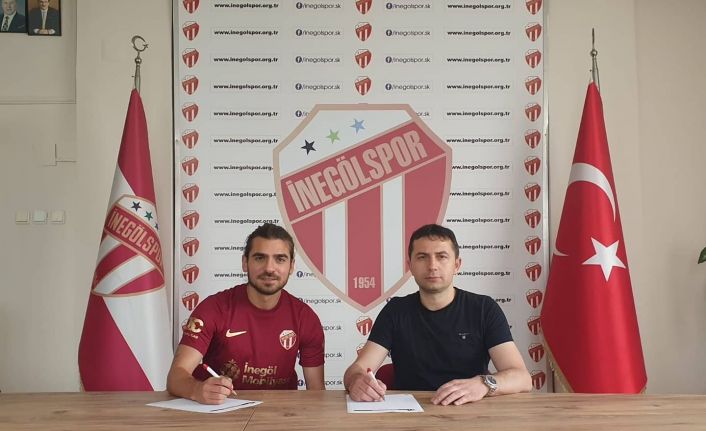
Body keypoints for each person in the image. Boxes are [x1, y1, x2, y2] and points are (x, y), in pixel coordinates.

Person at [344, 224, 532, 405]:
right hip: (408, 415)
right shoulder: (395, 310)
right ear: (410, 266)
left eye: (442, 256)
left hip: (471, 412)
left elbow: (522, 378)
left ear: (457, 265)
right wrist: (357, 381)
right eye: (422, 257)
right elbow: (357, 369)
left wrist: (482, 384)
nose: (432, 266)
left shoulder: (484, 308)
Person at [167, 223, 325, 404]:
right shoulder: (213, 308)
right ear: (245, 263)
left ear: (291, 266)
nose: (269, 268)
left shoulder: (305, 318)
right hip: (217, 410)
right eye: (260, 258)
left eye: (280, 259)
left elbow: (316, 392)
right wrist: (197, 390)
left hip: (281, 413)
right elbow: (176, 377)